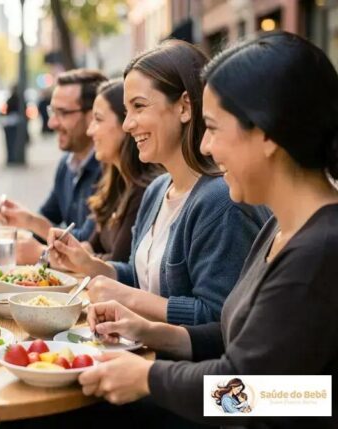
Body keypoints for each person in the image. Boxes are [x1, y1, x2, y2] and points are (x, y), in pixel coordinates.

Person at [77, 32, 338, 429]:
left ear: (267, 133)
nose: (204, 147)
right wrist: (152, 331)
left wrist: (148, 378)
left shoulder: (319, 253)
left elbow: (258, 397)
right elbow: (238, 343)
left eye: (213, 128)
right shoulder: (281, 227)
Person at [48, 40, 269, 325]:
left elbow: (219, 319)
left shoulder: (221, 201)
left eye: (139, 106)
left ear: (185, 107)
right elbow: (139, 276)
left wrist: (129, 299)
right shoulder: (157, 190)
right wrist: (89, 264)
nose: (128, 124)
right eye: (126, 111)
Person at [0, 69, 107, 263]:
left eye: (63, 113)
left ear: (93, 116)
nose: (52, 123)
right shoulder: (67, 163)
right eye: (52, 111)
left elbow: (87, 242)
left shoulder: (111, 169)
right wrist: (23, 218)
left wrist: (33, 227)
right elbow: (49, 215)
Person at [50, 79, 163, 263]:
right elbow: (90, 246)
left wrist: (87, 257)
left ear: (125, 125)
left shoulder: (145, 189)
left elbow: (122, 265)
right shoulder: (115, 180)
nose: (90, 131)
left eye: (98, 119)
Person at [2, 84, 28, 165]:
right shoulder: (20, 100)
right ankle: (12, 158)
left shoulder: (12, 100)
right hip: (13, 124)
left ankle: (11, 158)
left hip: (11, 124)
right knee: (13, 143)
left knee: (10, 143)